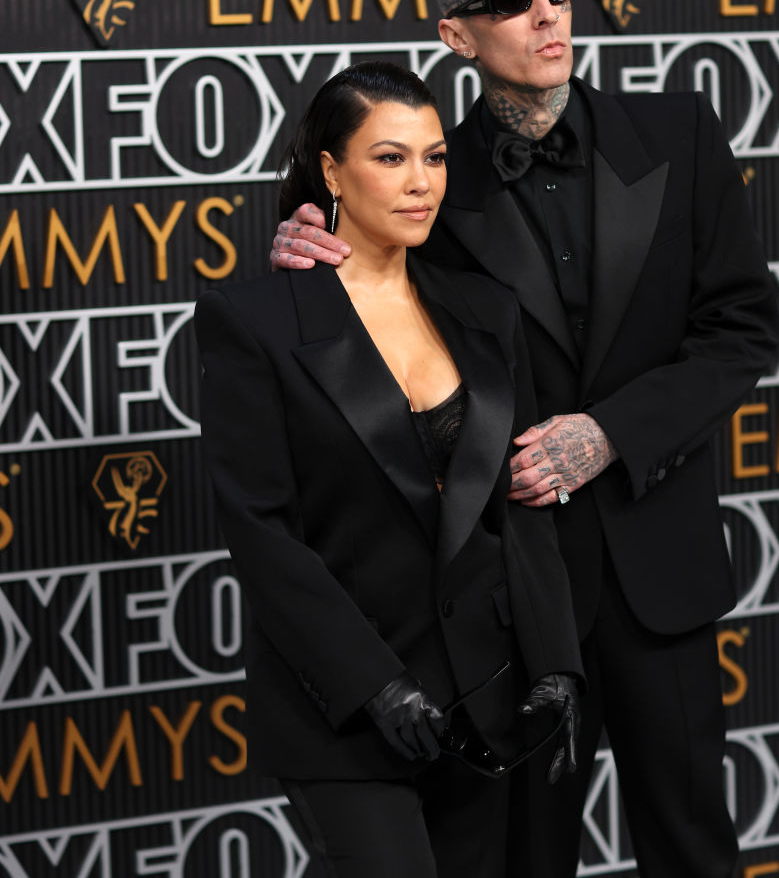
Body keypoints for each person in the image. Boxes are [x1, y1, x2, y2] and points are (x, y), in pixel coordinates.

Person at [270, 0, 779, 877]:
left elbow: (744, 327)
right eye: (507, 1)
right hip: (512, 597)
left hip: (656, 567)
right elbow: (360, 302)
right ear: (456, 37)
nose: (545, 12)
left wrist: (609, 434)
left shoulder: (677, 131)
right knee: (528, 861)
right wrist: (306, 239)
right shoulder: (425, 177)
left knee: (693, 847)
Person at [195, 61, 584, 878]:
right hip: (340, 705)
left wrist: (553, 664)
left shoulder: (485, 311)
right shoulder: (255, 320)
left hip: (484, 694)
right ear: (331, 169)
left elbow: (518, 506)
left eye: (435, 157)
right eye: (390, 157)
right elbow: (260, 530)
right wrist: (373, 684)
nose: (420, 183)